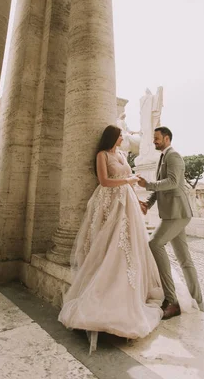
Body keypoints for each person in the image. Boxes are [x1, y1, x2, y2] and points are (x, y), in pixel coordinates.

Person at [58, 125, 163, 352]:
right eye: (120, 135)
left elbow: (128, 177)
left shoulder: (122, 155)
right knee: (111, 244)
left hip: (128, 203)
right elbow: (104, 181)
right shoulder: (102, 155)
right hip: (110, 203)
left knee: (131, 245)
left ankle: (128, 292)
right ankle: (102, 295)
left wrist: (139, 199)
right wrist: (129, 182)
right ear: (112, 138)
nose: (123, 137)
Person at [138, 126, 204, 319]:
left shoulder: (173, 156)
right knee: (185, 260)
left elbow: (173, 182)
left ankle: (172, 300)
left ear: (166, 139)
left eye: (157, 138)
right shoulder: (163, 157)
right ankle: (198, 303)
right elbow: (162, 187)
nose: (154, 141)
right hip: (172, 213)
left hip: (178, 213)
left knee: (154, 244)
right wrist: (148, 204)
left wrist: (147, 184)